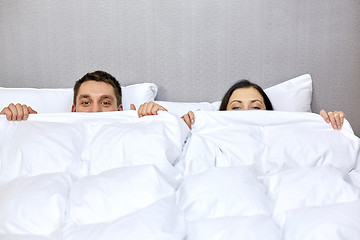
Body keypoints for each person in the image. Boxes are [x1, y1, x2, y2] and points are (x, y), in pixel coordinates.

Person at [0, 70, 167, 120]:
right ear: (73, 109)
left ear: (120, 109)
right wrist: (13, 125)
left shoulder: (136, 130)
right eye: (86, 103)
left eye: (105, 103)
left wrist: (161, 122)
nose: (95, 111)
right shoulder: (54, 133)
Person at [181, 80, 346, 130]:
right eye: (236, 107)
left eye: (255, 107)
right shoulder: (208, 130)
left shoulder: (287, 131)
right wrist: (181, 127)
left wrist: (331, 125)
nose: (246, 113)